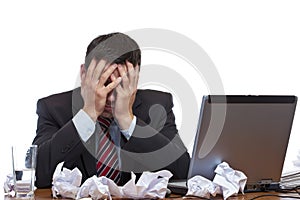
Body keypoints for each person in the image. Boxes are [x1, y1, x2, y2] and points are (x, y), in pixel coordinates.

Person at [32, 32, 190, 188]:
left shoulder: (157, 105)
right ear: (84, 74)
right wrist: (88, 114)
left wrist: (127, 120)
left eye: (121, 84)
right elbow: (38, 174)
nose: (111, 97)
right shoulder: (54, 108)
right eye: (103, 82)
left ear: (135, 79)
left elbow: (183, 172)